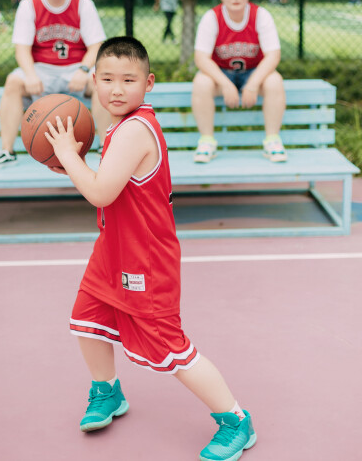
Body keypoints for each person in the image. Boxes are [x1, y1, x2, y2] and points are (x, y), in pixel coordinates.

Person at [44, 36, 257, 461]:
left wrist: (67, 155)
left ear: (149, 83)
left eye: (128, 79)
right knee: (86, 319)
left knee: (169, 347)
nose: (117, 89)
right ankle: (107, 392)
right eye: (107, 78)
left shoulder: (135, 130)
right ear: (94, 80)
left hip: (146, 260)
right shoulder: (120, 124)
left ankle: (236, 420)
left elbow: (101, 193)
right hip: (115, 249)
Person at [0, 0, 110, 171]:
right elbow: (21, 49)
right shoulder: (29, 5)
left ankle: (106, 147)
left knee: (102, 82)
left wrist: (83, 69)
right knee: (14, 82)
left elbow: (97, 45)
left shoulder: (83, 3)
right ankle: (7, 150)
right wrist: (30, 75)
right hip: (41, 70)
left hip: (75, 68)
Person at [192, 0, 287, 164]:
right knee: (201, 81)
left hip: (253, 72)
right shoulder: (212, 17)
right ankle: (207, 141)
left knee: (275, 80)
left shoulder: (260, 15)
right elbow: (201, 58)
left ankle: (272, 140)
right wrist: (225, 84)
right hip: (222, 74)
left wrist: (252, 84)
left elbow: (273, 55)